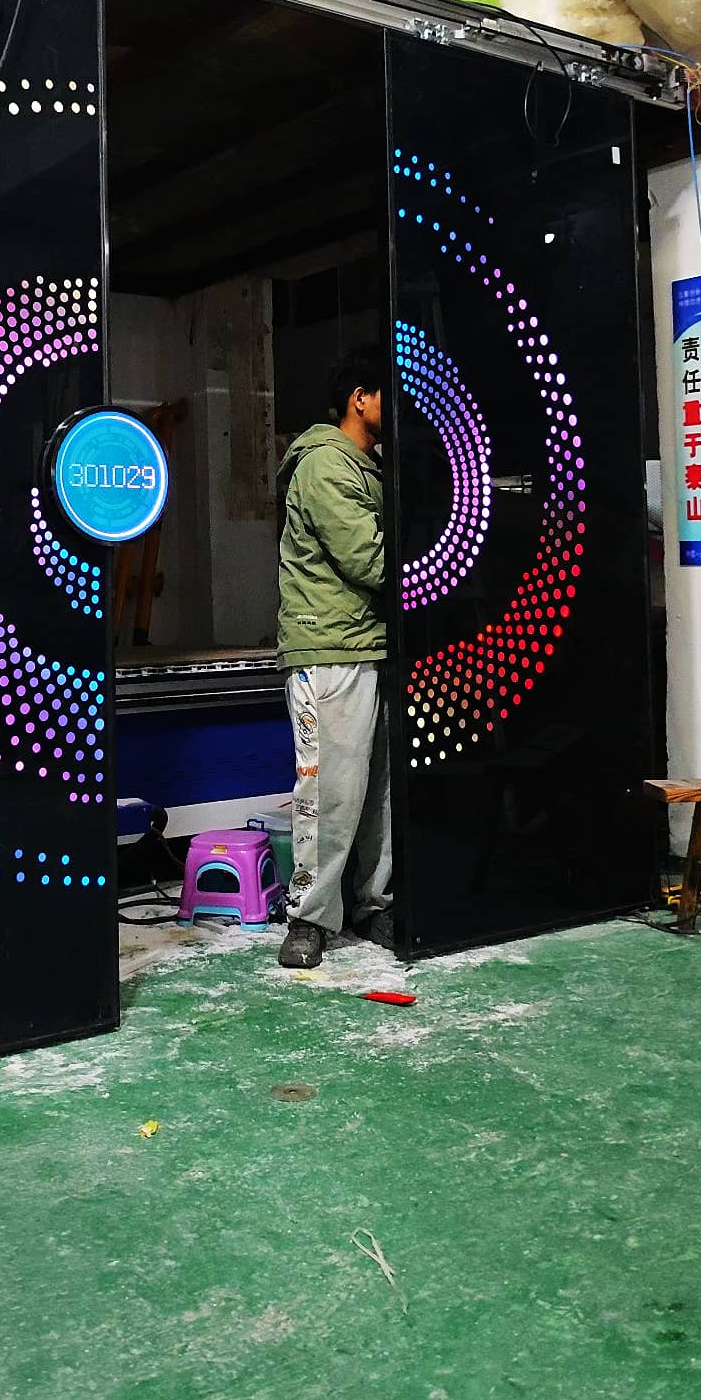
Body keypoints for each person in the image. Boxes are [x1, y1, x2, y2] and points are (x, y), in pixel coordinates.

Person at [276, 344, 392, 969]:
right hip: (329, 648)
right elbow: (369, 560)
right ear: (360, 399)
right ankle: (308, 917)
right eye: (389, 396)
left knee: (377, 793)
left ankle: (374, 904)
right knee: (330, 792)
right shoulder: (325, 465)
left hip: (369, 642)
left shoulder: (370, 465)